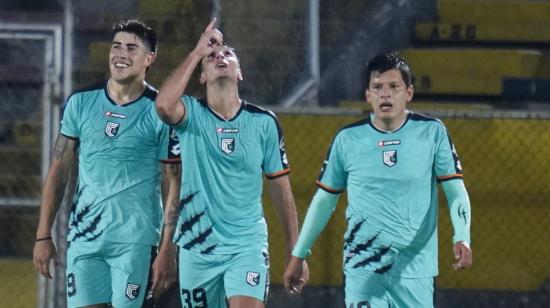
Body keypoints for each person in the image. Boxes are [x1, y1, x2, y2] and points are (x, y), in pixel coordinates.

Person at [284, 51, 473, 308]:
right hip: (363, 266)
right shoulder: (348, 139)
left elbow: (455, 189)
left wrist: (461, 235)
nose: (385, 93)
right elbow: (324, 201)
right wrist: (299, 253)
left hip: (415, 268)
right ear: (367, 95)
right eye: (377, 87)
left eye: (394, 86)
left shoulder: (432, 132)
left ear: (409, 93)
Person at [155, 19, 309, 308]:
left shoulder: (264, 123)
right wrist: (197, 52)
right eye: (212, 57)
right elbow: (163, 105)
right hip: (197, 245)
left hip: (246, 246)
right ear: (202, 76)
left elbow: (281, 191)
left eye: (228, 55)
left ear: (240, 73)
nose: (220, 57)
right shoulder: (189, 115)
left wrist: (295, 251)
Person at [32, 19, 181, 307]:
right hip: (85, 237)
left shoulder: (161, 111)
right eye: (116, 46)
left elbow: (174, 182)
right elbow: (59, 169)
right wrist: (43, 235)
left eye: (131, 48)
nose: (120, 54)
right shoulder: (80, 103)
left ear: (149, 58)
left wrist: (168, 248)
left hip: (136, 242)